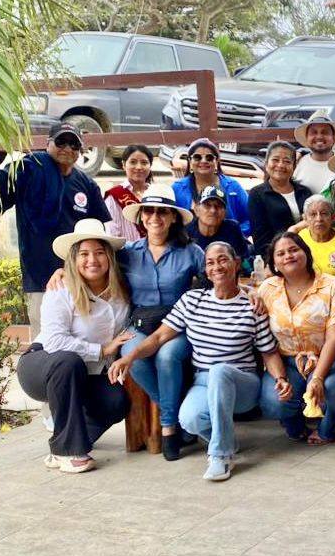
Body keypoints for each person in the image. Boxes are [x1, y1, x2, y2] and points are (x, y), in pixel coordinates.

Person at [109, 242, 290, 481]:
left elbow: (269, 352)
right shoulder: (192, 300)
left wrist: (280, 378)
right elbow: (159, 337)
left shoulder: (251, 305)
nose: (217, 267)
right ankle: (226, 439)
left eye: (223, 260)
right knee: (189, 420)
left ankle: (220, 455)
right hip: (204, 381)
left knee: (220, 371)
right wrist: (129, 357)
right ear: (205, 271)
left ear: (236, 263)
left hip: (242, 382)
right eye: (210, 263)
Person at [17, 219, 131, 473]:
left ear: (110, 257)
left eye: (99, 253)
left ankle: (66, 442)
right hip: (43, 365)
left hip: (88, 373)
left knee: (116, 401)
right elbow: (54, 341)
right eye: (84, 254)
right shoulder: (61, 289)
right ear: (74, 259)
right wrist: (102, 350)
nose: (92, 260)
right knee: (68, 360)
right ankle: (67, 451)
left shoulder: (121, 294)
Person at [0, 122, 111, 338]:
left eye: (74, 144)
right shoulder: (28, 168)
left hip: (81, 276)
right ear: (48, 144)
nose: (67, 148)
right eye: (61, 142)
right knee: (46, 339)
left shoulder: (87, 184)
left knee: (84, 336)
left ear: (80, 150)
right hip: (41, 277)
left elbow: (100, 230)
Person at [116, 185, 205, 461]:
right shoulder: (127, 252)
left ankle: (168, 428)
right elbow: (91, 267)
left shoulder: (191, 251)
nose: (155, 217)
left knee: (167, 357)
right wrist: (61, 272)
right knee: (133, 357)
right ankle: (177, 416)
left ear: (173, 217)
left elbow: (214, 281)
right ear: (141, 216)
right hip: (139, 323)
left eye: (162, 212)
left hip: (177, 324)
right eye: (149, 211)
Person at [257, 232, 335, 445]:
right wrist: (280, 379)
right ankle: (294, 425)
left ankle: (326, 428)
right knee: (273, 401)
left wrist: (318, 377)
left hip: (329, 360)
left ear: (306, 253)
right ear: (274, 263)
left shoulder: (333, 286)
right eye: (281, 254)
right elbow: (263, 337)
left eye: (294, 250)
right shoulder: (267, 289)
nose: (288, 256)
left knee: (331, 388)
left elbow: (334, 338)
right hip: (287, 362)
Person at [172, 138, 250, 235]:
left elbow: (251, 219)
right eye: (197, 157)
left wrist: (234, 235)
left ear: (217, 161)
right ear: (189, 161)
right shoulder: (177, 189)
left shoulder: (233, 187)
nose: (204, 161)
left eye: (209, 157)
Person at [249, 141, 312, 259]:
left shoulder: (304, 192)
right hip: (278, 258)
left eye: (287, 161)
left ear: (294, 166)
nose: (281, 165)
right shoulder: (257, 194)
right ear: (266, 164)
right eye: (275, 160)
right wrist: (270, 262)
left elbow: (313, 223)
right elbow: (260, 239)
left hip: (308, 255)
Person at [104, 144, 153, 241]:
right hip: (125, 249)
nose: (139, 167)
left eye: (144, 162)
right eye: (133, 162)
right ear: (123, 164)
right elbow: (111, 234)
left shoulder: (156, 193)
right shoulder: (114, 196)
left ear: (150, 165)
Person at [186, 186, 249, 259]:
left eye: (218, 206)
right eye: (207, 205)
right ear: (196, 210)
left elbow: (243, 259)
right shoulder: (186, 233)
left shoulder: (232, 229)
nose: (213, 210)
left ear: (225, 212)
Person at [293, 115, 335, 194]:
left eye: (325, 132)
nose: (319, 136)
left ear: (334, 137)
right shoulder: (296, 162)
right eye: (313, 132)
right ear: (306, 137)